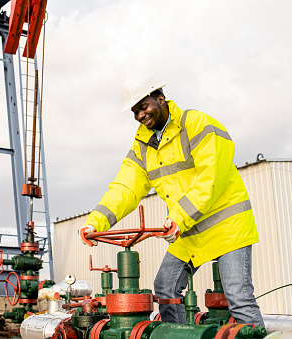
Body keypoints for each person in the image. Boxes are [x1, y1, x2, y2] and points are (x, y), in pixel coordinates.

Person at [78, 72, 264, 327]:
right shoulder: (142, 146)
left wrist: (178, 218)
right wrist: (95, 222)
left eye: (143, 107)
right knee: (165, 289)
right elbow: (124, 188)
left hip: (226, 228)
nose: (140, 116)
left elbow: (211, 178)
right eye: (135, 111)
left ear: (161, 98)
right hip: (187, 232)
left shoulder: (198, 124)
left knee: (238, 297)